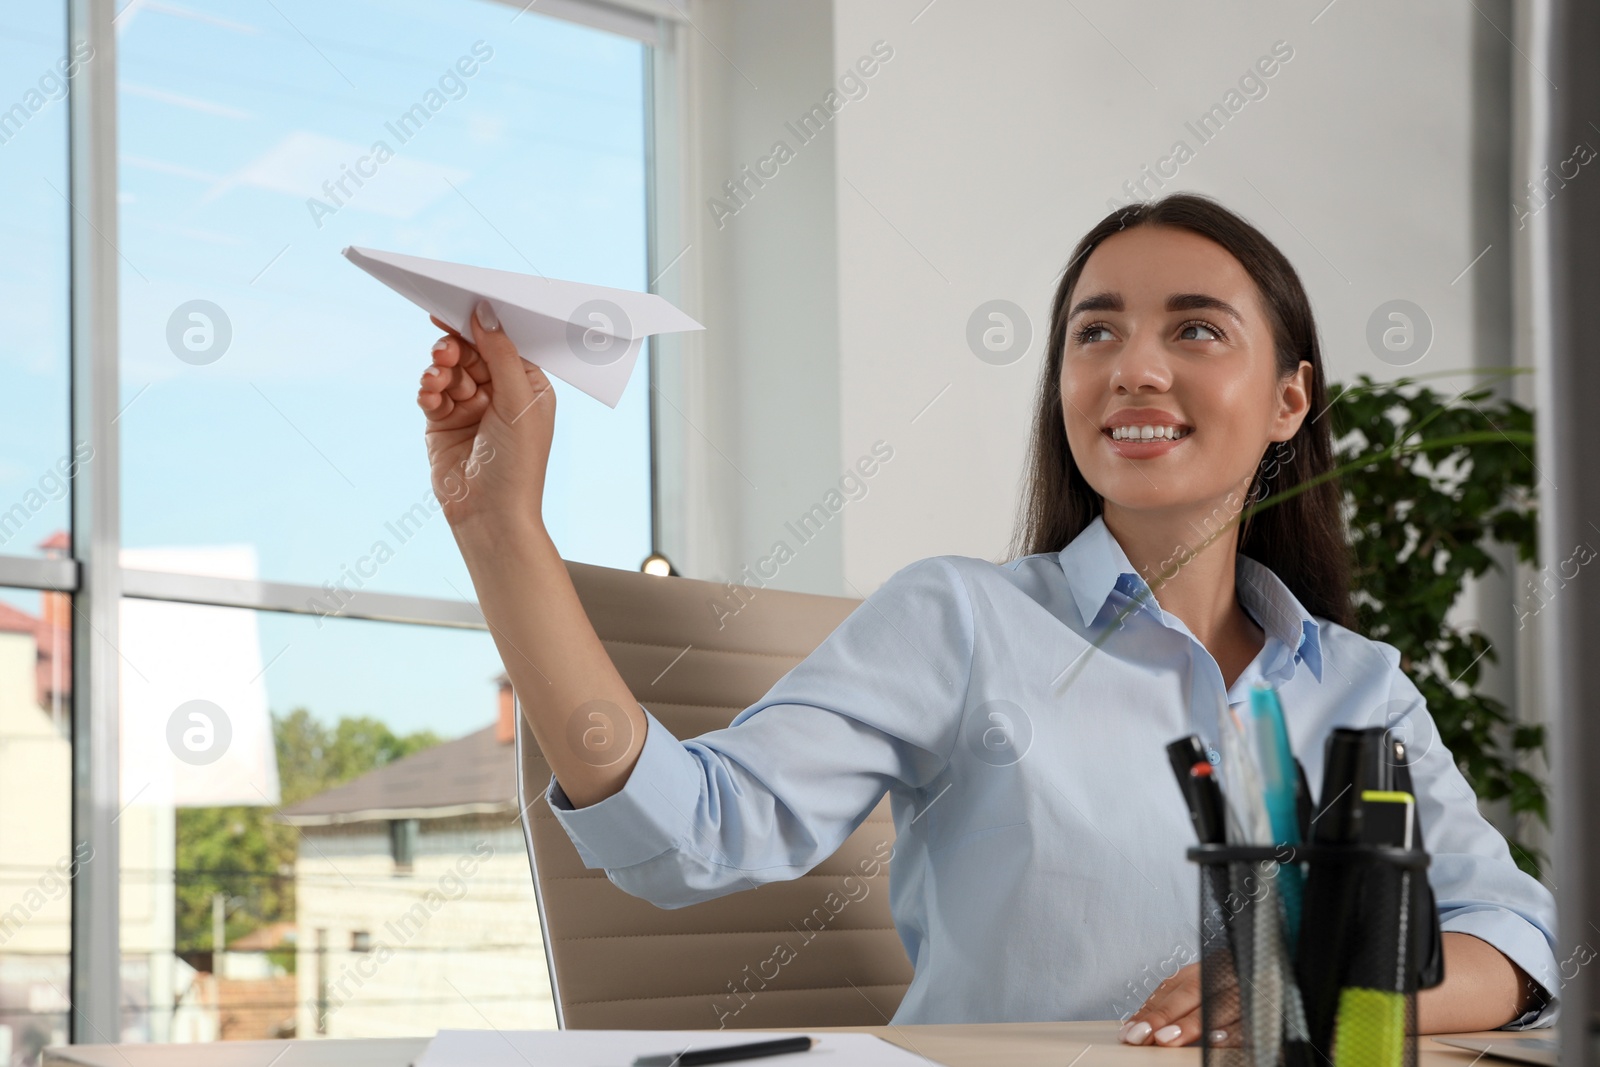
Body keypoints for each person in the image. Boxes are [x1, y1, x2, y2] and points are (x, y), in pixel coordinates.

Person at [415, 193, 1558, 1045]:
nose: (1132, 369)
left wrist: (1313, 984)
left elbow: (1515, 937)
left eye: (1196, 330)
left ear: (1288, 400)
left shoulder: (1357, 684)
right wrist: (500, 528)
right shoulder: (961, 619)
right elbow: (692, 832)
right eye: (1093, 333)